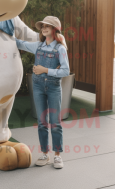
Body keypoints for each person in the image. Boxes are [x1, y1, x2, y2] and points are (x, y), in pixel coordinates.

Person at [15, 16, 70, 169]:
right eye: (43, 26)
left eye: (48, 26)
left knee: (55, 123)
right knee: (42, 122)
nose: (44, 28)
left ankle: (57, 156)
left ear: (54, 29)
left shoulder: (60, 48)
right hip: (38, 88)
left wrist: (45, 70)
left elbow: (66, 70)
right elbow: (20, 43)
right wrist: (5, 35)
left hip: (53, 88)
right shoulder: (38, 46)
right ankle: (45, 154)